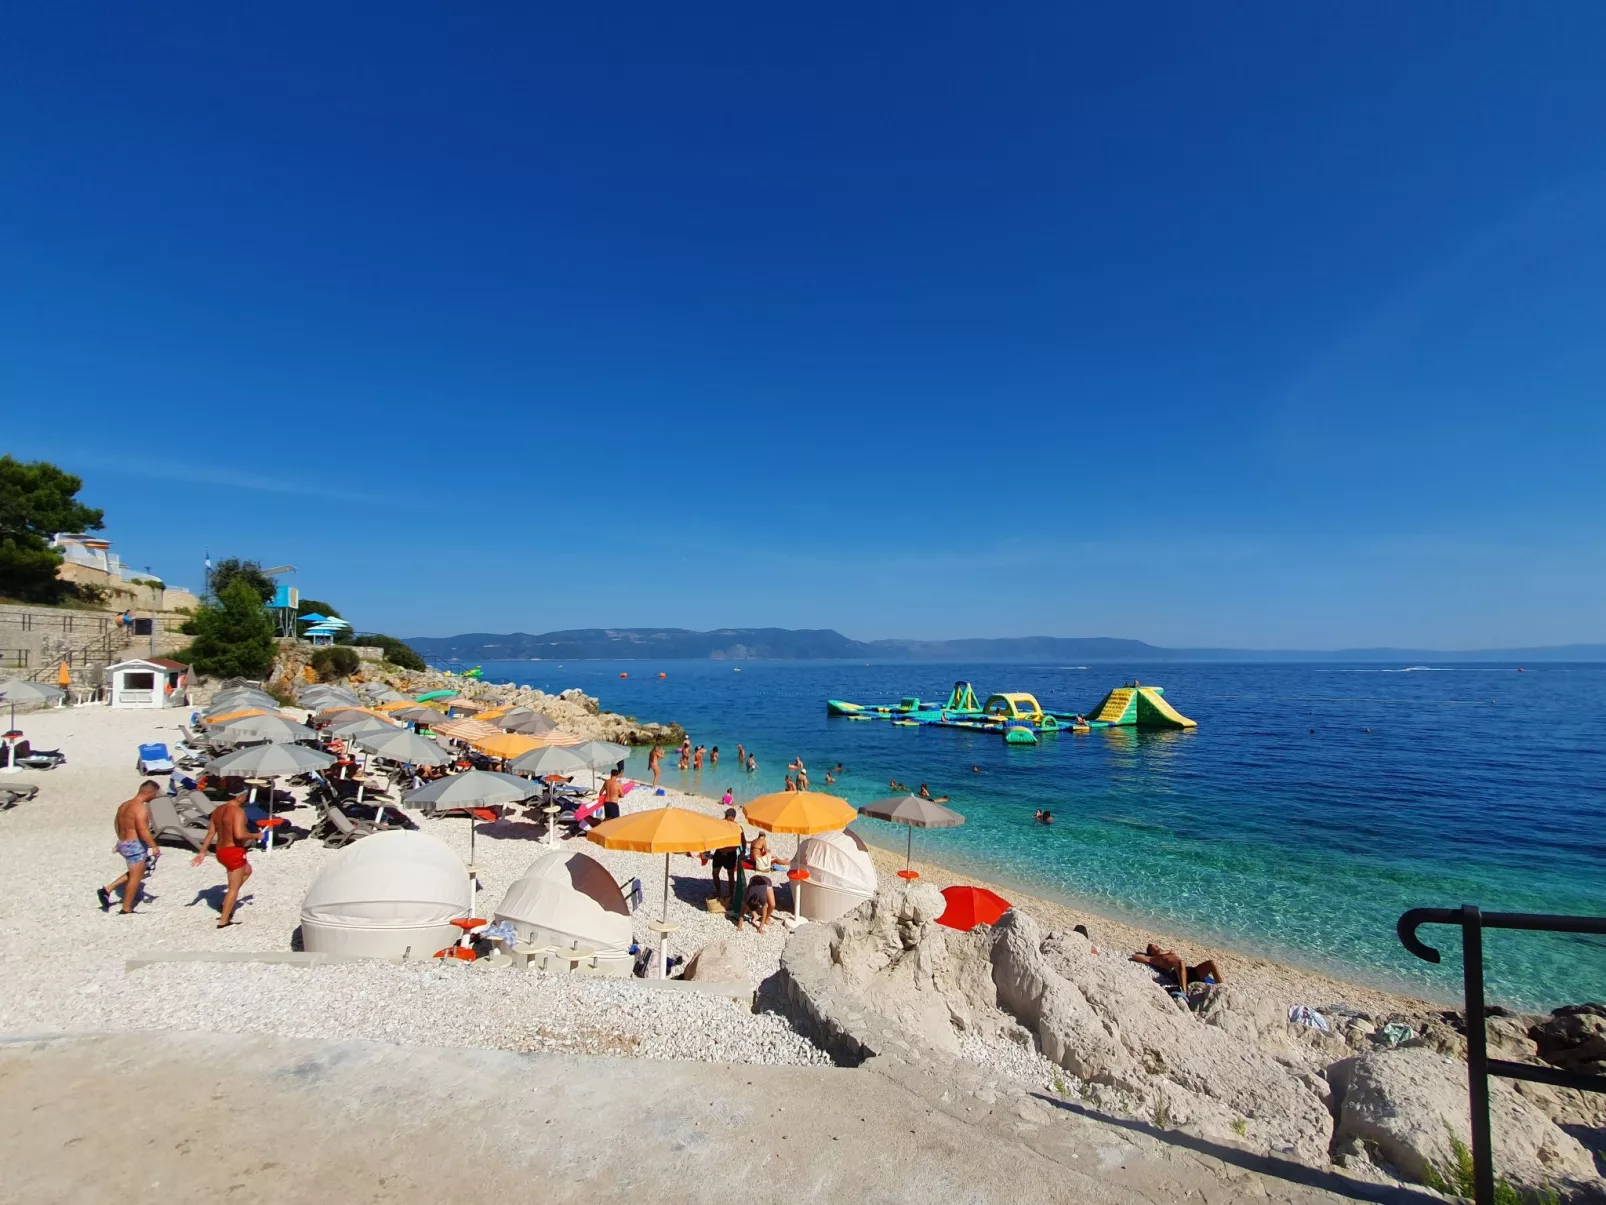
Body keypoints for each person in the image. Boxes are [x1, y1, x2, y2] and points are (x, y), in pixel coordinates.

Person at [192, 792, 255, 928]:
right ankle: (224, 920)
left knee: (247, 870)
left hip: (220, 851)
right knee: (233, 888)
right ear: (239, 797)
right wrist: (257, 835)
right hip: (233, 852)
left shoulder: (218, 810)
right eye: (246, 796)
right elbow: (240, 834)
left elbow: (210, 833)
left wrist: (202, 852)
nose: (247, 799)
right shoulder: (237, 811)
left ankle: (226, 903)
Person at [99, 781, 161, 914]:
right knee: (136, 877)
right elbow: (143, 830)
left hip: (123, 842)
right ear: (148, 793)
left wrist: (120, 841)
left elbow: (116, 823)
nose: (156, 796)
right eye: (155, 794)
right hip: (135, 845)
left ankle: (107, 890)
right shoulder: (140, 809)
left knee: (139, 870)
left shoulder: (124, 805)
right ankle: (126, 908)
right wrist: (154, 846)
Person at [1130, 944, 1222, 989]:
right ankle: (1184, 991)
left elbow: (1172, 950)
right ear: (1151, 952)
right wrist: (1151, 956)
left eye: (1156, 945)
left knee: (1211, 963)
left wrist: (1162, 951)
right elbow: (1135, 956)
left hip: (1189, 971)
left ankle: (1221, 987)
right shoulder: (1154, 959)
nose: (1157, 946)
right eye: (1154, 947)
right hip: (1176, 974)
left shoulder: (1170, 952)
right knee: (1181, 962)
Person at [709, 807, 742, 902]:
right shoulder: (720, 824)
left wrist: (729, 850)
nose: (726, 817)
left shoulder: (737, 827)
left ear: (733, 817)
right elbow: (713, 836)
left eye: (727, 816)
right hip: (719, 852)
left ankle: (731, 894)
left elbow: (740, 841)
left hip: (730, 854)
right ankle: (718, 891)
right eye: (726, 815)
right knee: (715, 873)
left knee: (730, 875)